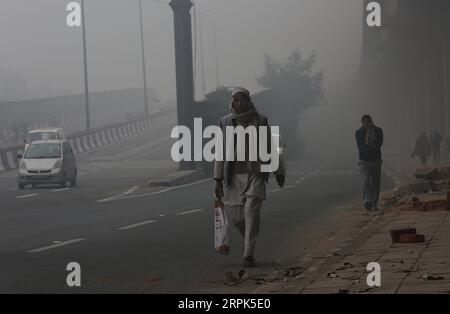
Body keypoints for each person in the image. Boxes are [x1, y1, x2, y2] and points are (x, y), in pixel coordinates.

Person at [214, 87, 285, 268]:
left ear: (249, 101)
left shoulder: (260, 120)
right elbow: (220, 152)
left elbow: (270, 146)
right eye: (235, 100)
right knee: (239, 219)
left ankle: (248, 255)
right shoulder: (226, 122)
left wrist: (278, 172)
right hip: (233, 177)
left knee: (251, 215)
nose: (239, 103)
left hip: (255, 174)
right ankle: (250, 240)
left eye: (242, 100)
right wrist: (217, 180)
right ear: (232, 102)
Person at [355, 114, 384, 213]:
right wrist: (371, 147)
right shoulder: (359, 132)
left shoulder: (378, 131)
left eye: (368, 121)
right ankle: (367, 201)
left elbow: (380, 143)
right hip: (364, 161)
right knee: (365, 181)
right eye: (365, 122)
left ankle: (374, 203)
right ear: (362, 123)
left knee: (375, 183)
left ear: (371, 121)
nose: (367, 123)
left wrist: (373, 146)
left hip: (376, 160)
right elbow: (361, 147)